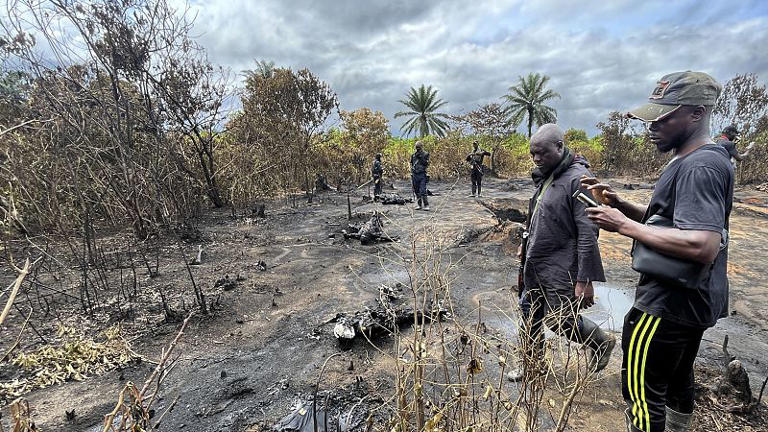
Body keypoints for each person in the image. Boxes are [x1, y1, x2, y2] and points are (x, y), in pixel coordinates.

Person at [582, 71, 733, 432]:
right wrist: (626, 207)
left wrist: (624, 226)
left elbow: (703, 244)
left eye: (663, 116)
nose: (652, 125)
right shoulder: (698, 159)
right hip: (691, 301)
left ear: (697, 113)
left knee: (643, 397)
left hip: (666, 303)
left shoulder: (700, 166)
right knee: (678, 380)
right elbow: (673, 223)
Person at [508, 123, 614, 381]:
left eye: (542, 153)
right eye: (533, 153)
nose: (536, 159)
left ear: (559, 146)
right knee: (529, 314)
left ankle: (600, 341)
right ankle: (532, 366)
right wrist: (526, 240)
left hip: (561, 267)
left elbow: (589, 231)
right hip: (535, 264)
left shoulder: (580, 180)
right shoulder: (549, 175)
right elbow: (540, 214)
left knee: (559, 321)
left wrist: (585, 279)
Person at [411, 140, 430, 211]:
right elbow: (412, 164)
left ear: (421, 147)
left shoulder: (426, 154)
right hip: (415, 175)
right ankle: (419, 204)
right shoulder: (413, 155)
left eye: (419, 147)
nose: (417, 148)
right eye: (416, 147)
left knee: (423, 191)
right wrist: (411, 173)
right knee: (416, 191)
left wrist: (421, 158)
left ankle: (426, 205)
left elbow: (426, 164)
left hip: (422, 174)